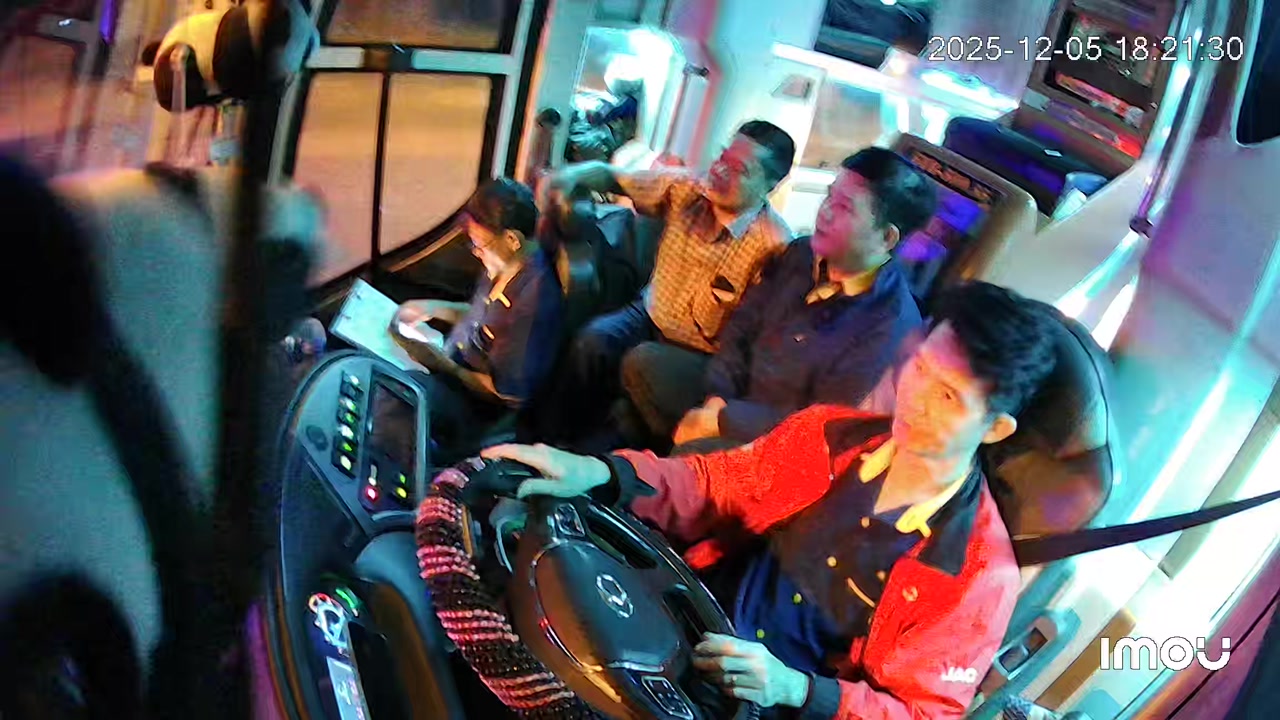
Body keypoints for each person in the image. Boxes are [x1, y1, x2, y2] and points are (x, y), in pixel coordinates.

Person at [481, 281, 1060, 718]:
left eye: (949, 396)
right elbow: (714, 482)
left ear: (995, 428)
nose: (916, 399)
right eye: (921, 368)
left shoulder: (976, 575)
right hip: (684, 618)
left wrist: (796, 689)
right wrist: (601, 471)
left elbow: (922, 712)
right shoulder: (830, 434)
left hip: (772, 703)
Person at [619, 147, 938, 453]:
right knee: (642, 364)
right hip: (734, 396)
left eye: (844, 207)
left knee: (694, 449)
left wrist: (724, 420)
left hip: (777, 446)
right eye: (829, 196)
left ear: (886, 237)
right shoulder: (801, 253)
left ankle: (671, 472)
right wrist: (718, 397)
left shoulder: (889, 327)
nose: (825, 212)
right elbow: (742, 325)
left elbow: (818, 425)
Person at [542, 119, 797, 445]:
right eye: (722, 158)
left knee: (636, 379)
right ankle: (548, 440)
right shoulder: (685, 190)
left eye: (738, 169)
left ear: (770, 185)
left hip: (702, 353)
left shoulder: (773, 246)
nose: (720, 171)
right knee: (591, 342)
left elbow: (757, 341)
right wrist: (566, 177)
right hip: (651, 312)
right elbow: (614, 177)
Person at [394, 178, 563, 462]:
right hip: (455, 360)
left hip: (474, 403)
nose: (476, 252)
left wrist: (444, 365)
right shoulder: (503, 264)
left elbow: (507, 394)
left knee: (400, 394)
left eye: (480, 245)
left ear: (512, 240)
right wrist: (434, 308)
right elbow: (483, 317)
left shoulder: (532, 303)